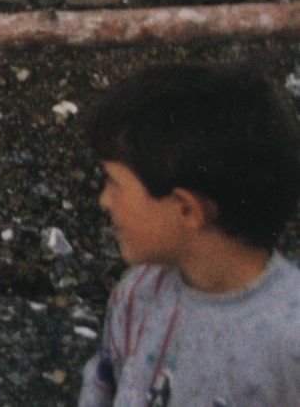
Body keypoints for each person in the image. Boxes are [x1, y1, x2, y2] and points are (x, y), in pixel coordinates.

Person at [76, 59, 300, 406]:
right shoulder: (138, 295)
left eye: (115, 183)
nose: (104, 200)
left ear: (187, 209)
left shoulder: (289, 338)